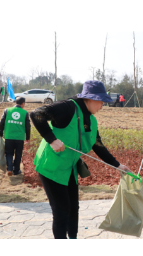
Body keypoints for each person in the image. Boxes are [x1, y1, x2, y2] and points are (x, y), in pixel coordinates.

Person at [30, 80, 131, 239]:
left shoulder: (91, 119)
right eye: (101, 102)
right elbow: (36, 114)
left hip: (69, 168)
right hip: (51, 166)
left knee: (73, 208)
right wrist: (51, 139)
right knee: (61, 210)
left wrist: (118, 165)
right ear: (90, 99)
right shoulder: (68, 107)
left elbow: (98, 145)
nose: (102, 106)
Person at [0, 97, 31, 176]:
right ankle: (16, 170)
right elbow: (28, 126)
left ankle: (9, 168)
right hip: (19, 138)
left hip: (9, 136)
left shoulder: (7, 110)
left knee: (9, 153)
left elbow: (1, 122)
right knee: (18, 154)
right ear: (23, 103)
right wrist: (27, 137)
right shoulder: (25, 113)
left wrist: (0, 133)